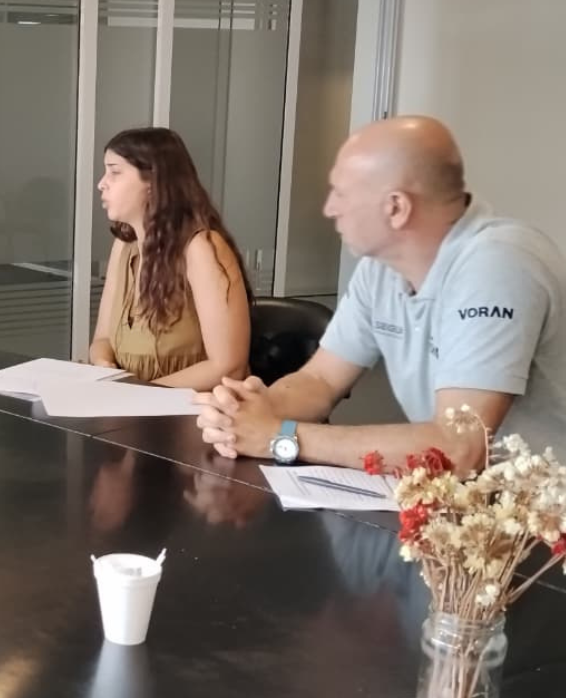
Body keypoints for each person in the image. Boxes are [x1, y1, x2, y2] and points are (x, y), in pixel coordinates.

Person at [194, 115, 566, 473]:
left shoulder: (499, 263)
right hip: (464, 502)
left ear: (396, 208)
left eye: (341, 193)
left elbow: (460, 447)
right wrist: (249, 410)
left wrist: (281, 437)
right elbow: (320, 381)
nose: (330, 209)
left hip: (541, 507)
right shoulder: (380, 269)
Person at [89, 127, 251, 389]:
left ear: (153, 183)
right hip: (130, 404)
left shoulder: (201, 248)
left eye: (115, 172)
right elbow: (102, 339)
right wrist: (103, 364)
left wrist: (136, 395)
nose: (101, 183)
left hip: (196, 408)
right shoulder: (124, 245)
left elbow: (229, 367)